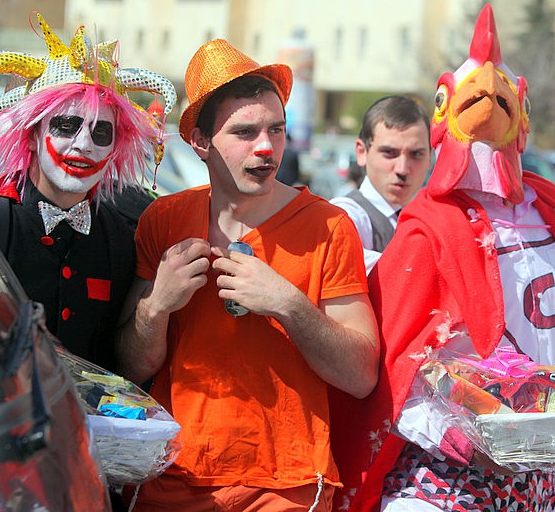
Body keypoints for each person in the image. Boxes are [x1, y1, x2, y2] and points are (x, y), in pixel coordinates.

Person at [329, 5, 555, 512]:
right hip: (442, 482)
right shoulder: (427, 226)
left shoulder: (554, 211)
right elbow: (393, 367)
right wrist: (457, 438)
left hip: (538, 481)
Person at [116, 39, 379, 511]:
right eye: (245, 132)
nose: (266, 147)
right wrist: (157, 305)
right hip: (171, 473)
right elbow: (132, 367)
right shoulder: (164, 220)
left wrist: (288, 303)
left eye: (276, 130)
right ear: (199, 141)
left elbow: (361, 375)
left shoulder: (329, 226)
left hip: (287, 484)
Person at [0, 13, 176, 372]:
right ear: (32, 136)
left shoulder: (121, 236)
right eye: (66, 126)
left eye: (100, 133)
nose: (83, 145)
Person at [330, 96, 431, 272]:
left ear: (431, 157)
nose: (402, 169)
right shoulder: (345, 216)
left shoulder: (432, 216)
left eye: (416, 154)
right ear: (362, 152)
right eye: (389, 153)